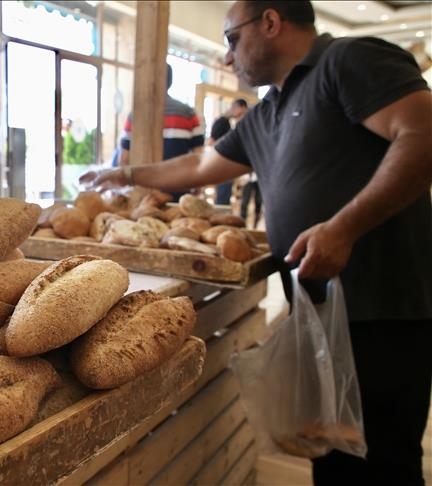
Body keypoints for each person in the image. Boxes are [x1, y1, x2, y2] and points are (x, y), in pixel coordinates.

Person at [80, 2, 432, 485]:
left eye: (231, 38)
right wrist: (121, 173)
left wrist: (344, 228)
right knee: (332, 456)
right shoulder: (270, 109)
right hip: (319, 311)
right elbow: (200, 168)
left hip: (384, 311)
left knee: (386, 461)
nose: (227, 57)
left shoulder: (349, 61)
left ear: (270, 22)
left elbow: (422, 133)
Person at [116, 65, 206, 201]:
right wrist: (197, 186)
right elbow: (199, 157)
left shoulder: (135, 115)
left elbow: (124, 158)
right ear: (170, 82)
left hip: (143, 190)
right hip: (179, 189)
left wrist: (126, 186)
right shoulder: (189, 114)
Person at [208, 98, 249, 205]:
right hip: (221, 165)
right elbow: (212, 142)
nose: (242, 115)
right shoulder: (221, 122)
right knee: (223, 198)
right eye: (243, 112)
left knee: (225, 196)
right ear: (239, 108)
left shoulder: (227, 123)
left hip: (225, 165)